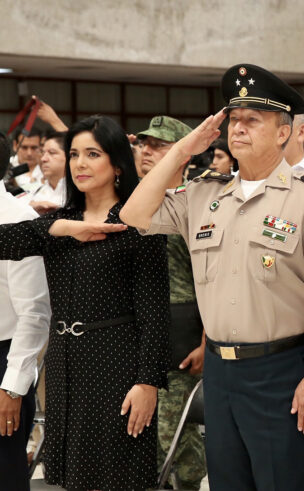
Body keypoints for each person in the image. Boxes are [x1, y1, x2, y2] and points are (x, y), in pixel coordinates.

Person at [120, 63, 304, 490]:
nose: (239, 128)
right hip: (220, 373)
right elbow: (133, 213)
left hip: (283, 371)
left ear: (283, 132)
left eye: (253, 120)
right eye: (234, 119)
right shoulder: (204, 194)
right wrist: (182, 150)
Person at [0, 115, 170, 490]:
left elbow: (155, 314)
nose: (80, 163)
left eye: (93, 154)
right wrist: (57, 228)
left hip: (117, 365)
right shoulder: (61, 221)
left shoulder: (137, 223)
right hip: (64, 364)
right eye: (74, 153)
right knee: (69, 478)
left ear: (116, 162)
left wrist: (148, 383)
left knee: (116, 475)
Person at [135, 115, 209, 490]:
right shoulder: (127, 200)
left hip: (182, 330)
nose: (147, 152)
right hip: (133, 329)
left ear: (183, 155)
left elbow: (214, 280)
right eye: (144, 144)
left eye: (159, 146)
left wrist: (205, 343)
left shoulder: (198, 201)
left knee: (173, 435)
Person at [0, 132, 51, 491]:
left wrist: (14, 387)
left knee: (5, 471)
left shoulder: (16, 217)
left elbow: (35, 313)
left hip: (4, 360)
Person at [21, 131, 67, 214]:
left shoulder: (80, 191)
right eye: (43, 153)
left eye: (52, 153)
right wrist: (31, 207)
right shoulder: (32, 187)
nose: (43, 159)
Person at [10, 127, 44, 193]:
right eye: (24, 147)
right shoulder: (5, 168)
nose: (29, 153)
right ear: (15, 145)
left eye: (34, 148)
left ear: (41, 147)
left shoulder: (48, 168)